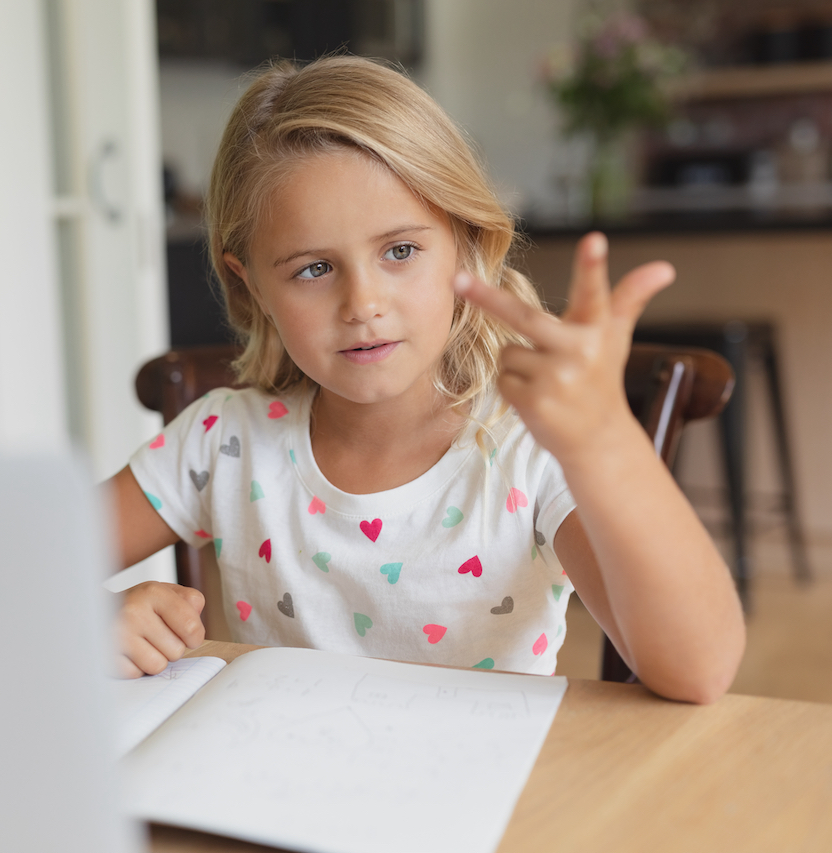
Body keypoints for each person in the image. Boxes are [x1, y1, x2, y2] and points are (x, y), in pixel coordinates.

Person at [106, 56, 744, 703]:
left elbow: (697, 670)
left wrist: (604, 442)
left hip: (482, 795)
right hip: (283, 795)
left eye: (400, 251)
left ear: (463, 244)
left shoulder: (527, 448)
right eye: (312, 268)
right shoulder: (220, 442)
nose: (363, 303)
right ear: (252, 285)